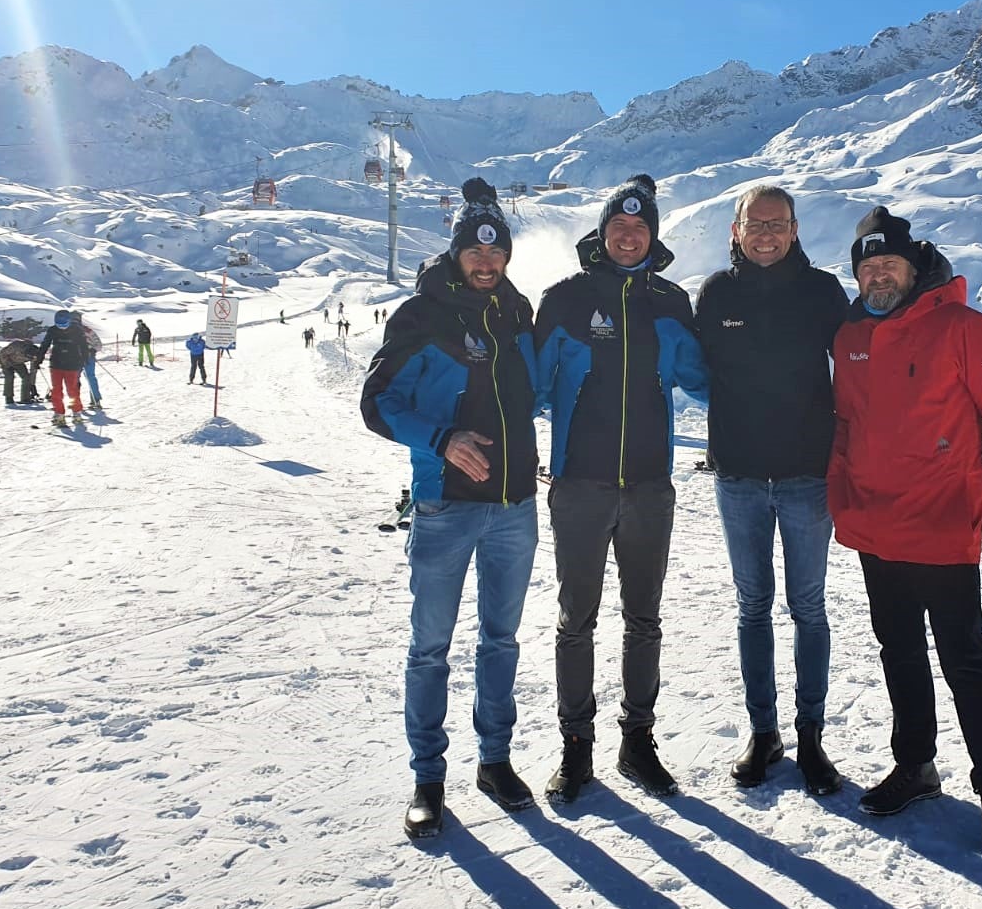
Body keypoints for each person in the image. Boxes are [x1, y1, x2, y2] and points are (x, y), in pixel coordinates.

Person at [828, 208, 982, 852]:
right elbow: (846, 424)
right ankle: (915, 766)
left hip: (944, 523)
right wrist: (843, 497)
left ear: (914, 269)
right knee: (899, 651)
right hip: (876, 524)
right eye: (868, 267)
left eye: (889, 264)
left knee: (964, 660)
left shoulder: (964, 327)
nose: (878, 276)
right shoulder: (850, 336)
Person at [360, 178, 542, 840]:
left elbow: (535, 393)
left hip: (514, 508)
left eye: (496, 252)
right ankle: (428, 779)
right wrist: (441, 439)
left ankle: (494, 761)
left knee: (501, 641)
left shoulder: (517, 312)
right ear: (457, 253)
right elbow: (376, 403)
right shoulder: (423, 315)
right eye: (475, 251)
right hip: (445, 507)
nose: (486, 262)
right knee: (431, 648)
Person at [533, 173, 709, 803]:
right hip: (579, 484)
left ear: (653, 235)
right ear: (601, 232)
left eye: (639, 227)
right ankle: (575, 747)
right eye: (618, 225)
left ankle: (638, 742)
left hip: (649, 487)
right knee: (575, 620)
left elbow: (704, 381)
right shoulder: (565, 299)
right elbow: (526, 388)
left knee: (644, 620)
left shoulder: (671, 302)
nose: (629, 236)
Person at [694, 184, 848, 794]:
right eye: (754, 224)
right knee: (752, 607)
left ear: (794, 229)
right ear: (736, 230)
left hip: (807, 474)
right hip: (739, 476)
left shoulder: (822, 292)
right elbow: (692, 367)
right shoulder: (716, 293)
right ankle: (764, 733)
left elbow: (862, 364)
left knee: (808, 607)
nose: (765, 234)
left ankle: (810, 734)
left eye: (776, 223)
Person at [38, 309, 89, 427]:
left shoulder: (77, 330)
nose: (61, 327)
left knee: (72, 390)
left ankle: (77, 413)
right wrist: (39, 357)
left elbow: (83, 346)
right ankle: (59, 413)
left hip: (72, 364)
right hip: (56, 363)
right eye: (59, 325)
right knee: (56, 390)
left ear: (69, 321)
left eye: (64, 324)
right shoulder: (52, 330)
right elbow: (45, 344)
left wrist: (85, 358)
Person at [0, 338, 40, 405]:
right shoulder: (16, 346)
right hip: (6, 360)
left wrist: (32, 385)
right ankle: (9, 397)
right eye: (28, 356)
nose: (29, 357)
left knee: (26, 377)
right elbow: (3, 353)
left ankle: (25, 398)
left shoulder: (34, 355)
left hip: (18, 362)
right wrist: (5, 364)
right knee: (9, 377)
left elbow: (33, 372)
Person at [76, 313, 104, 410]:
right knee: (75, 378)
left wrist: (93, 350)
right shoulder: (70, 331)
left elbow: (99, 344)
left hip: (88, 357)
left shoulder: (87, 330)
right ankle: (76, 400)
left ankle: (95, 399)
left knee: (90, 377)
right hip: (76, 358)